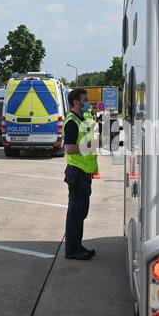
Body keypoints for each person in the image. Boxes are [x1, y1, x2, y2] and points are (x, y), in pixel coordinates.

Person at [63, 88, 98, 260]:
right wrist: (89, 146)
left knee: (80, 213)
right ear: (76, 102)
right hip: (77, 173)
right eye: (85, 99)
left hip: (83, 173)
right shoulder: (72, 122)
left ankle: (77, 246)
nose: (87, 102)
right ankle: (72, 250)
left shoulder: (81, 119)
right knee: (75, 213)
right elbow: (69, 148)